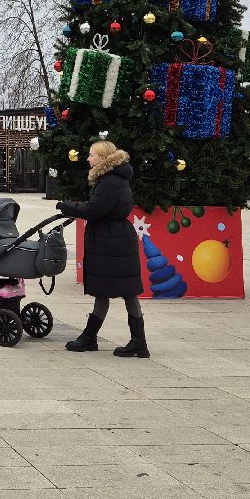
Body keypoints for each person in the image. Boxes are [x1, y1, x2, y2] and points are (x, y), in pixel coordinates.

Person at [56, 140, 148, 358]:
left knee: (112, 291)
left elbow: (94, 209)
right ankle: (132, 341)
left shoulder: (109, 182)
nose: (88, 158)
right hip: (116, 238)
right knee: (119, 291)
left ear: (104, 159)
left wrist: (66, 206)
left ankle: (126, 341)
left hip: (110, 240)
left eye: (92, 155)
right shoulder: (116, 179)